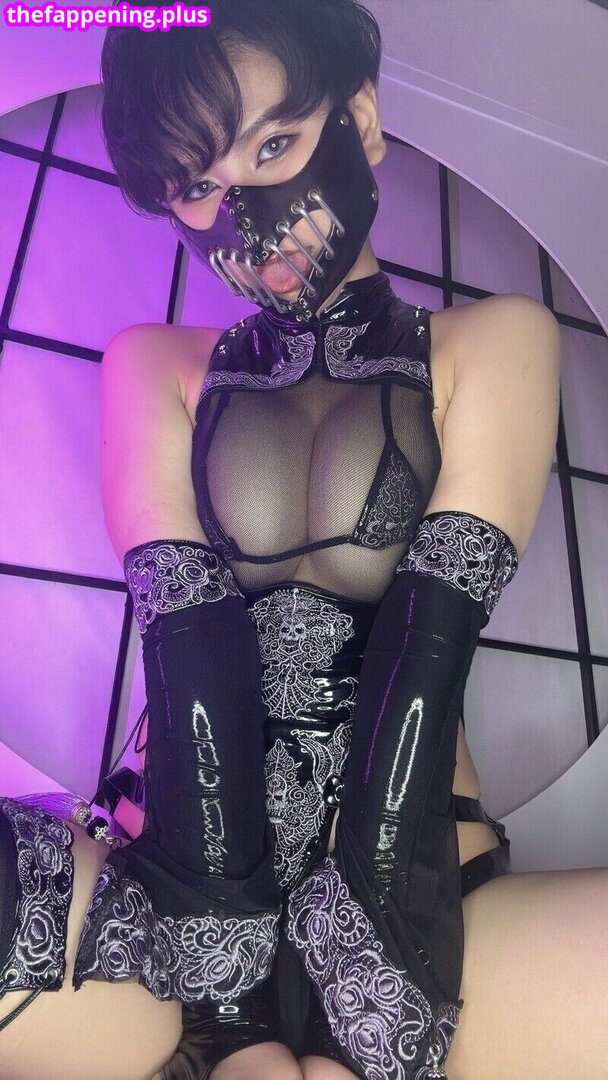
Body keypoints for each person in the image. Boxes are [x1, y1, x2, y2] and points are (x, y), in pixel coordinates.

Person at [2, 2, 607, 1078]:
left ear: (359, 121)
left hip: (424, 887)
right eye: (198, 185)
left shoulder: (497, 339)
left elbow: (425, 652)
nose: (248, 219)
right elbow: (187, 639)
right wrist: (227, 1013)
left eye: (275, 146)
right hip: (162, 898)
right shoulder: (152, 363)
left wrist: (371, 987)